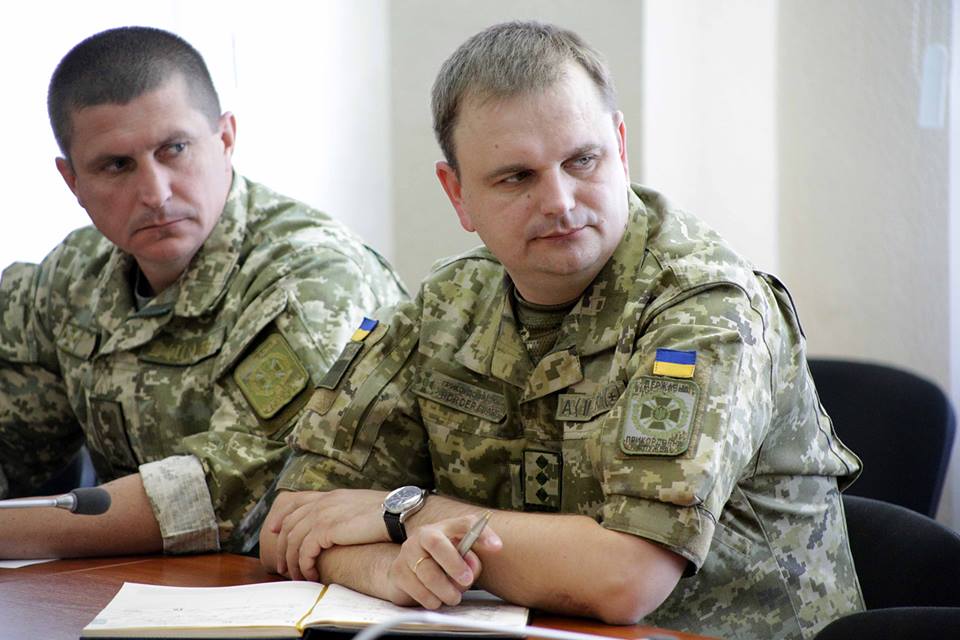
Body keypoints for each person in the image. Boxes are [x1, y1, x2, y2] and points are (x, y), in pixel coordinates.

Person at [260, 21, 864, 640]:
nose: (560, 201)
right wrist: (388, 568)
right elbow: (291, 521)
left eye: (582, 160)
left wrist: (412, 514)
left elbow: (626, 577)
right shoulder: (446, 304)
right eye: (516, 177)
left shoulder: (706, 307)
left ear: (620, 147)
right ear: (457, 194)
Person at [0, 26, 406, 558]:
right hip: (141, 589)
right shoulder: (71, 277)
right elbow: (14, 447)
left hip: (324, 585)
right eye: (116, 165)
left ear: (226, 139)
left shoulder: (310, 277)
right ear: (72, 181)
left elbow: (236, 496)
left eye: (174, 149)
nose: (155, 193)